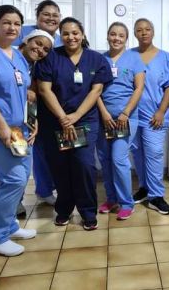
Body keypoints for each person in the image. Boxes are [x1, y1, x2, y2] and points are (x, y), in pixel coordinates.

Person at [35, 17, 112, 230]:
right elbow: (44, 89)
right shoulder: (51, 57)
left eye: (75, 32)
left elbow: (96, 90)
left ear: (83, 34)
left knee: (84, 166)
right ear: (61, 35)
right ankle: (64, 209)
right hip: (56, 121)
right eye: (66, 33)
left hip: (85, 120)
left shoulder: (96, 59)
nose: (71, 37)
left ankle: (88, 212)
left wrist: (76, 115)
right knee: (60, 167)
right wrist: (63, 118)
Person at [0, 5, 37, 256]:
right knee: (14, 179)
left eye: (17, 24)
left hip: (21, 129)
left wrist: (33, 119)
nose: (12, 28)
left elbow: (26, 91)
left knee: (20, 176)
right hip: (2, 128)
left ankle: (9, 226)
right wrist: (1, 127)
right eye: (6, 22)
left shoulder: (17, 55)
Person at [130, 18, 169, 215]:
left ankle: (156, 196)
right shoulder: (129, 56)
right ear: (134, 33)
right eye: (139, 30)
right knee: (137, 153)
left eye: (147, 29)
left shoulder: (165, 57)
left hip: (154, 115)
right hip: (133, 116)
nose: (144, 33)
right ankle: (144, 187)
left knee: (154, 153)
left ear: (153, 32)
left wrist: (161, 110)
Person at [96, 22, 145, 220]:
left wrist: (125, 113)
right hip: (104, 119)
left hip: (127, 118)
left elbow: (139, 88)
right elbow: (95, 90)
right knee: (106, 160)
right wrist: (104, 113)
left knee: (118, 159)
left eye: (121, 35)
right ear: (107, 36)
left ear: (126, 39)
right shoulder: (100, 59)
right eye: (113, 34)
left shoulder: (134, 59)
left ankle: (127, 202)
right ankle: (112, 199)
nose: (116, 38)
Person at [17, 29, 57, 212]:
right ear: (26, 41)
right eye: (37, 44)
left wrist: (33, 121)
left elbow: (30, 98)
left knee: (21, 171)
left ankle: (10, 218)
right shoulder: (10, 59)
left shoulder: (32, 66)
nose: (40, 50)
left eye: (46, 49)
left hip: (22, 127)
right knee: (12, 175)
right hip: (6, 126)